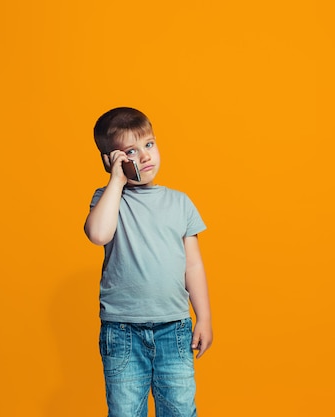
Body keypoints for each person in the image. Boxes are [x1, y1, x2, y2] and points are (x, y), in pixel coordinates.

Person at [84, 107, 213, 416]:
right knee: (126, 411)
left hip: (174, 328)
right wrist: (116, 181)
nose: (144, 156)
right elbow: (99, 234)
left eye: (149, 144)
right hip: (123, 330)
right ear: (110, 160)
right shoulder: (108, 199)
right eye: (131, 151)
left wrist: (204, 317)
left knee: (180, 409)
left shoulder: (180, 202)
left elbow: (193, 266)